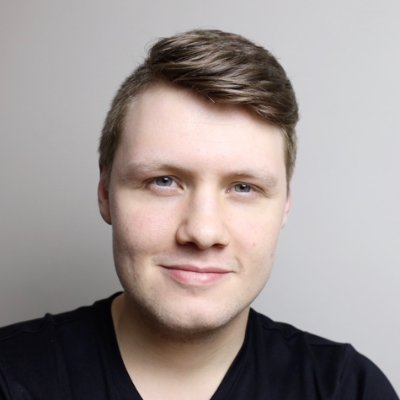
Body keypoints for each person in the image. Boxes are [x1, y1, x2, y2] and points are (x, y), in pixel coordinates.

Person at [0, 29, 398, 400]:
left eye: (243, 187)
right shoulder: (11, 375)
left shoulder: (348, 389)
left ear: (285, 206)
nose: (203, 232)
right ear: (105, 193)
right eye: (163, 181)